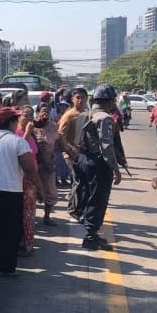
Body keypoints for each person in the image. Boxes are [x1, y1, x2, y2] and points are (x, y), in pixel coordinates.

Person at [0, 107, 44, 276]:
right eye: (16, 120)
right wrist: (40, 189)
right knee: (9, 231)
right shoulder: (18, 141)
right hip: (11, 192)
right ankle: (3, 268)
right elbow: (30, 169)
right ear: (10, 123)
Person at [77, 84, 122, 250]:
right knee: (99, 198)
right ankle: (90, 236)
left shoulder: (86, 114)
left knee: (88, 195)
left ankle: (91, 231)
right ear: (109, 101)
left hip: (84, 159)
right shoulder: (105, 118)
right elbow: (106, 146)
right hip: (99, 163)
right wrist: (116, 169)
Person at [15, 106, 44, 255]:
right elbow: (18, 150)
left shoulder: (32, 134)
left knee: (30, 214)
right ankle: (23, 244)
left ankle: (27, 243)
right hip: (22, 179)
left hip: (32, 179)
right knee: (24, 214)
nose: (29, 119)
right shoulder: (17, 134)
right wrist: (26, 133)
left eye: (31, 115)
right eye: (25, 115)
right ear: (18, 117)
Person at [58, 87, 89, 218]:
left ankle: (79, 207)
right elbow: (60, 135)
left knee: (81, 181)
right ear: (72, 99)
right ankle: (73, 209)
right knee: (77, 181)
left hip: (82, 154)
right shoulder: (69, 115)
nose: (80, 100)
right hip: (70, 154)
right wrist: (70, 150)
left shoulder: (87, 114)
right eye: (78, 98)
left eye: (83, 98)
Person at [33, 103, 60, 226]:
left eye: (47, 111)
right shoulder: (32, 126)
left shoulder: (53, 126)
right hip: (34, 165)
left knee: (50, 191)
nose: (45, 114)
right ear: (37, 112)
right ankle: (30, 217)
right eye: (42, 111)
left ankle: (47, 217)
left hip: (49, 165)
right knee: (32, 192)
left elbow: (58, 143)